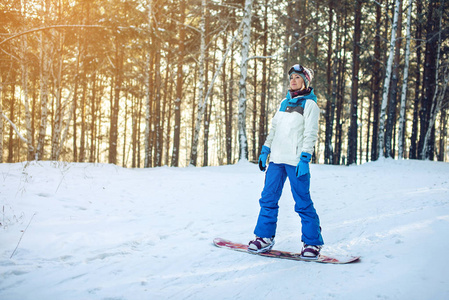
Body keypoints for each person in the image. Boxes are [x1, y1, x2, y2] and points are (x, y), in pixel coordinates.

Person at [248, 64, 324, 259]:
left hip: (296, 162)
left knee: (302, 202)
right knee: (268, 199)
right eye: (291, 77)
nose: (293, 80)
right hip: (276, 160)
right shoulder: (283, 103)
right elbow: (274, 130)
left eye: (297, 77)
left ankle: (312, 243)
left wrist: (305, 158)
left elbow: (311, 134)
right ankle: (264, 237)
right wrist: (266, 150)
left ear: (305, 81)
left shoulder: (310, 105)